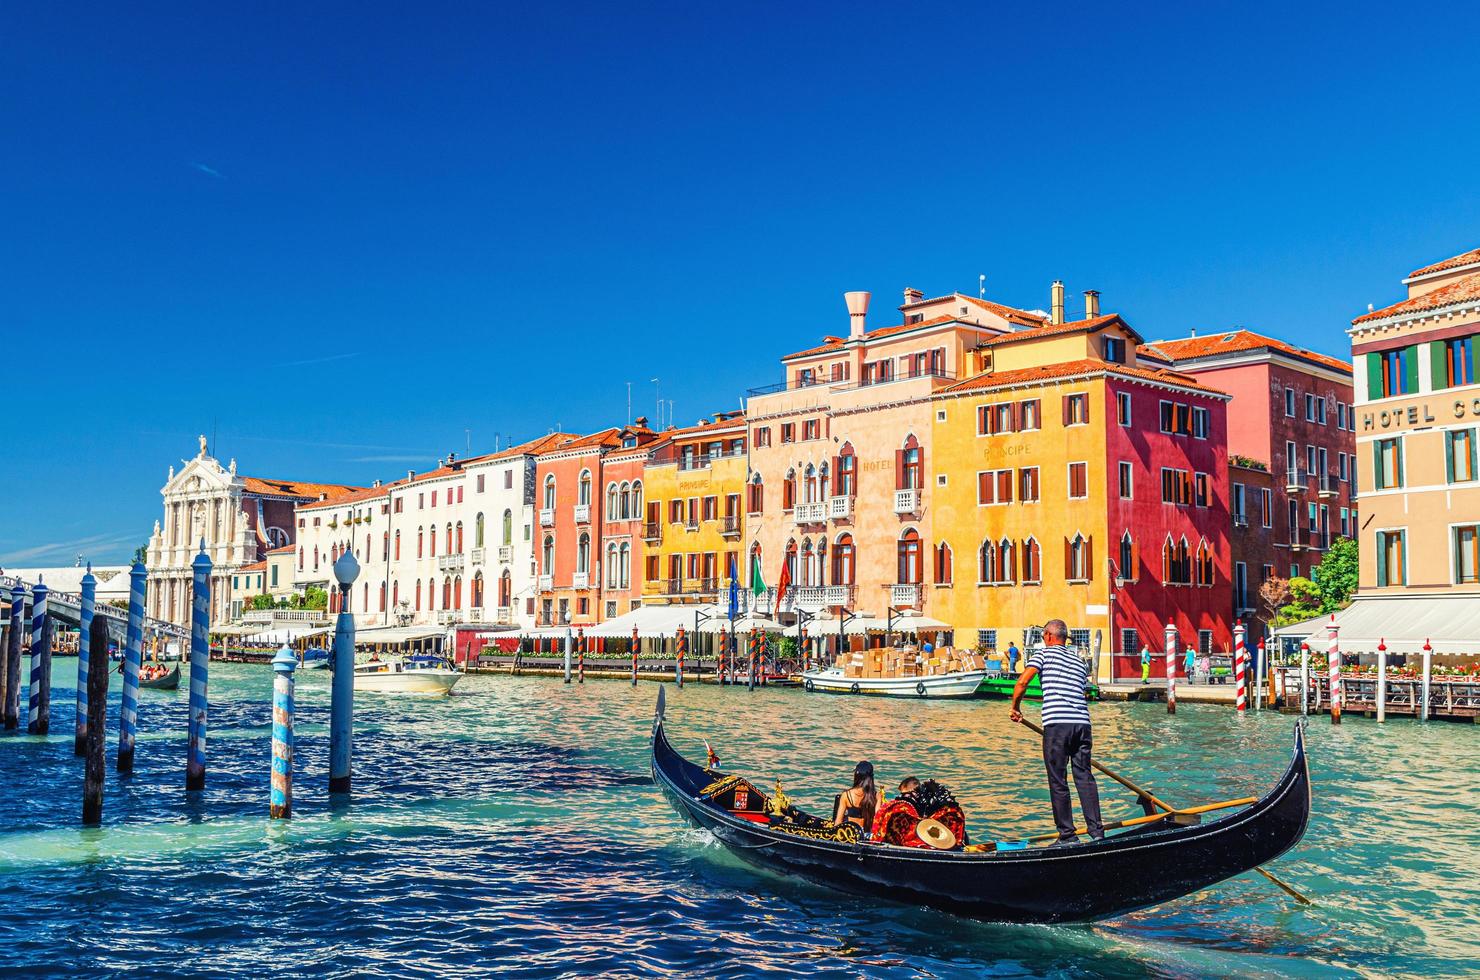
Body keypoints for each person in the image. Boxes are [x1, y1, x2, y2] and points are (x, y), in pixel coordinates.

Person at [1010, 619, 1104, 844]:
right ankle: (1097, 833)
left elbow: (1023, 682)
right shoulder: (1079, 661)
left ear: (1050, 636)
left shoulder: (1042, 655)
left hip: (1057, 724)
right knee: (1084, 778)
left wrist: (1015, 707)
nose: (1043, 640)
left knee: (1058, 780)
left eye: (1043, 637)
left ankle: (1067, 835)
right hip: (1082, 724)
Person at [833, 761, 878, 835]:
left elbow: (838, 821)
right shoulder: (876, 795)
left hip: (850, 834)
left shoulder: (846, 795)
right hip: (867, 834)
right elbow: (877, 820)